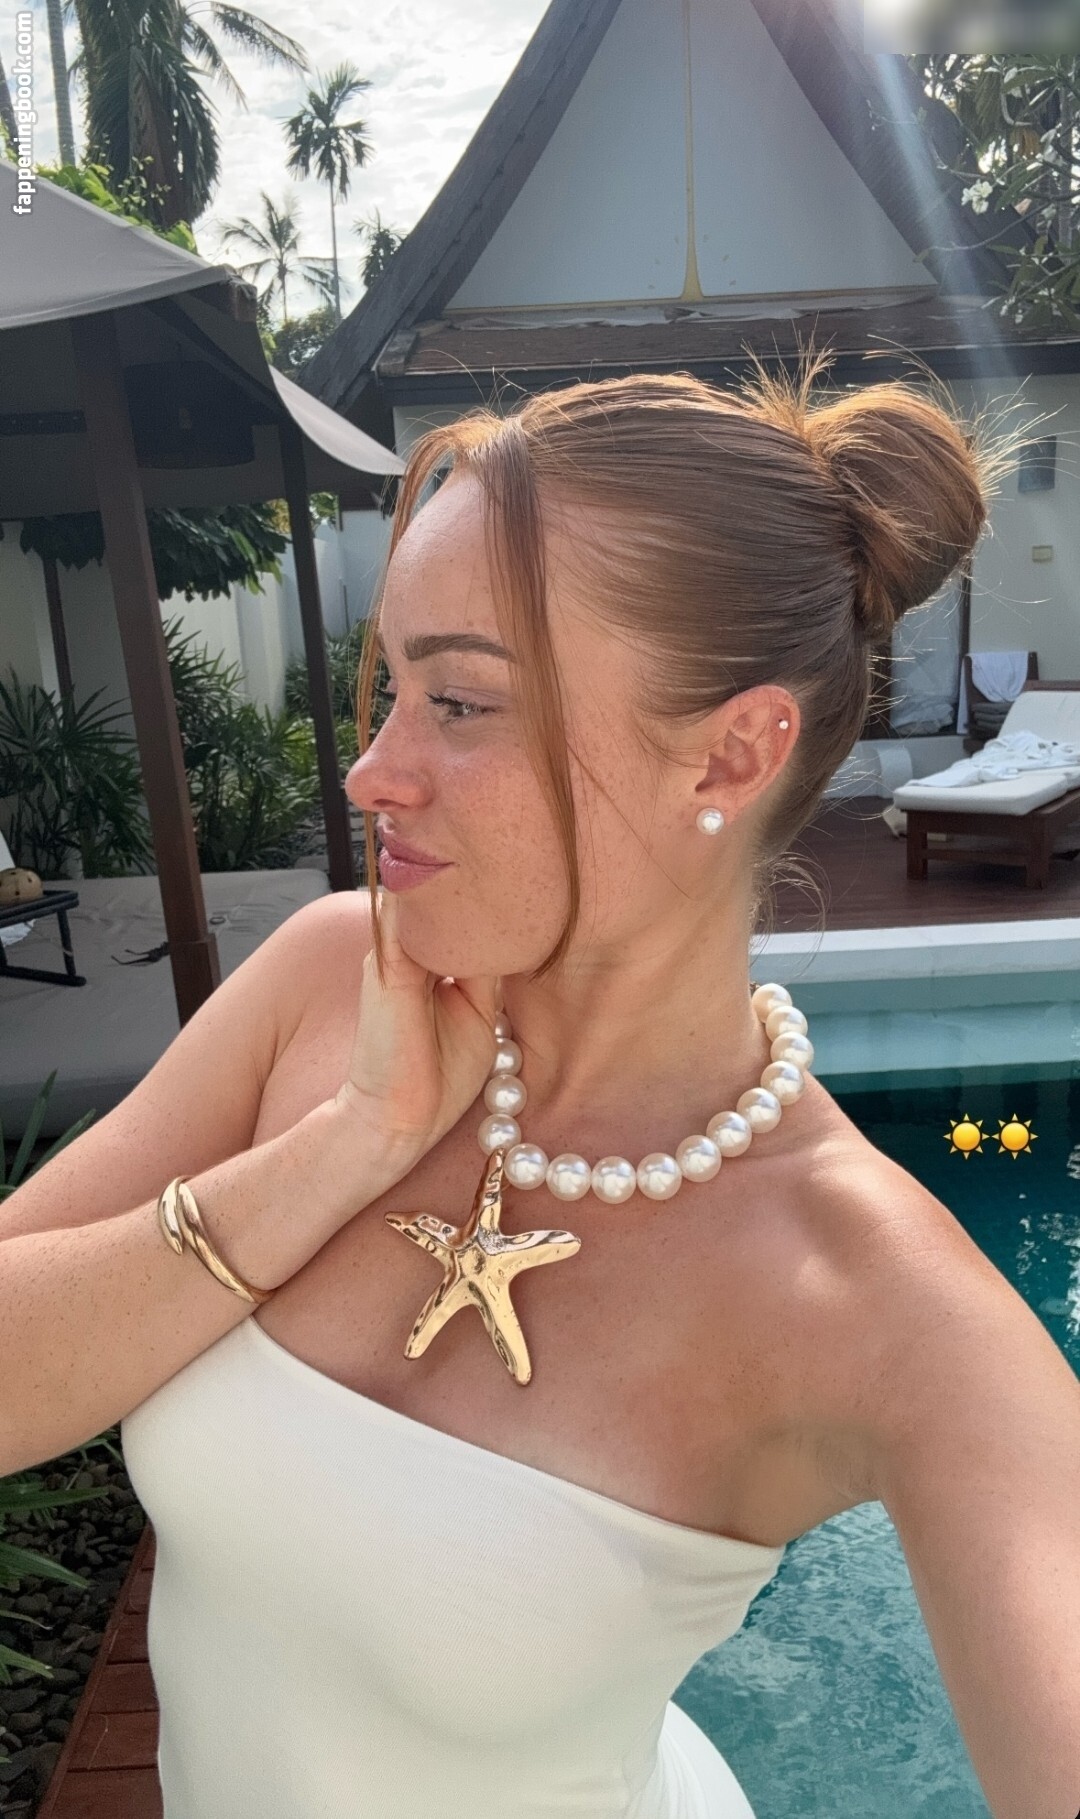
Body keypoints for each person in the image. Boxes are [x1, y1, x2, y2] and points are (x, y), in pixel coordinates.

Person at [5, 351, 1078, 1819]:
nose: (370, 773)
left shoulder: (869, 1298)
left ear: (733, 753)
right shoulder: (330, 983)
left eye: (461, 703)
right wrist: (342, 1148)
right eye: (394, 688)